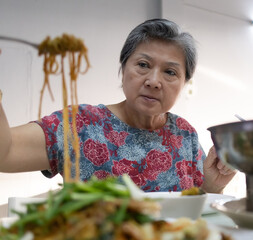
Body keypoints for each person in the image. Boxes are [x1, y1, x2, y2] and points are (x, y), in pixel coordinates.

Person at [0, 18, 236, 193]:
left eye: (170, 72)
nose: (154, 81)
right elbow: (6, 153)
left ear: (184, 83)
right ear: (123, 69)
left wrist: (212, 185)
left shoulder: (184, 134)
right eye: (143, 65)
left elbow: (197, 210)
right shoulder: (80, 124)